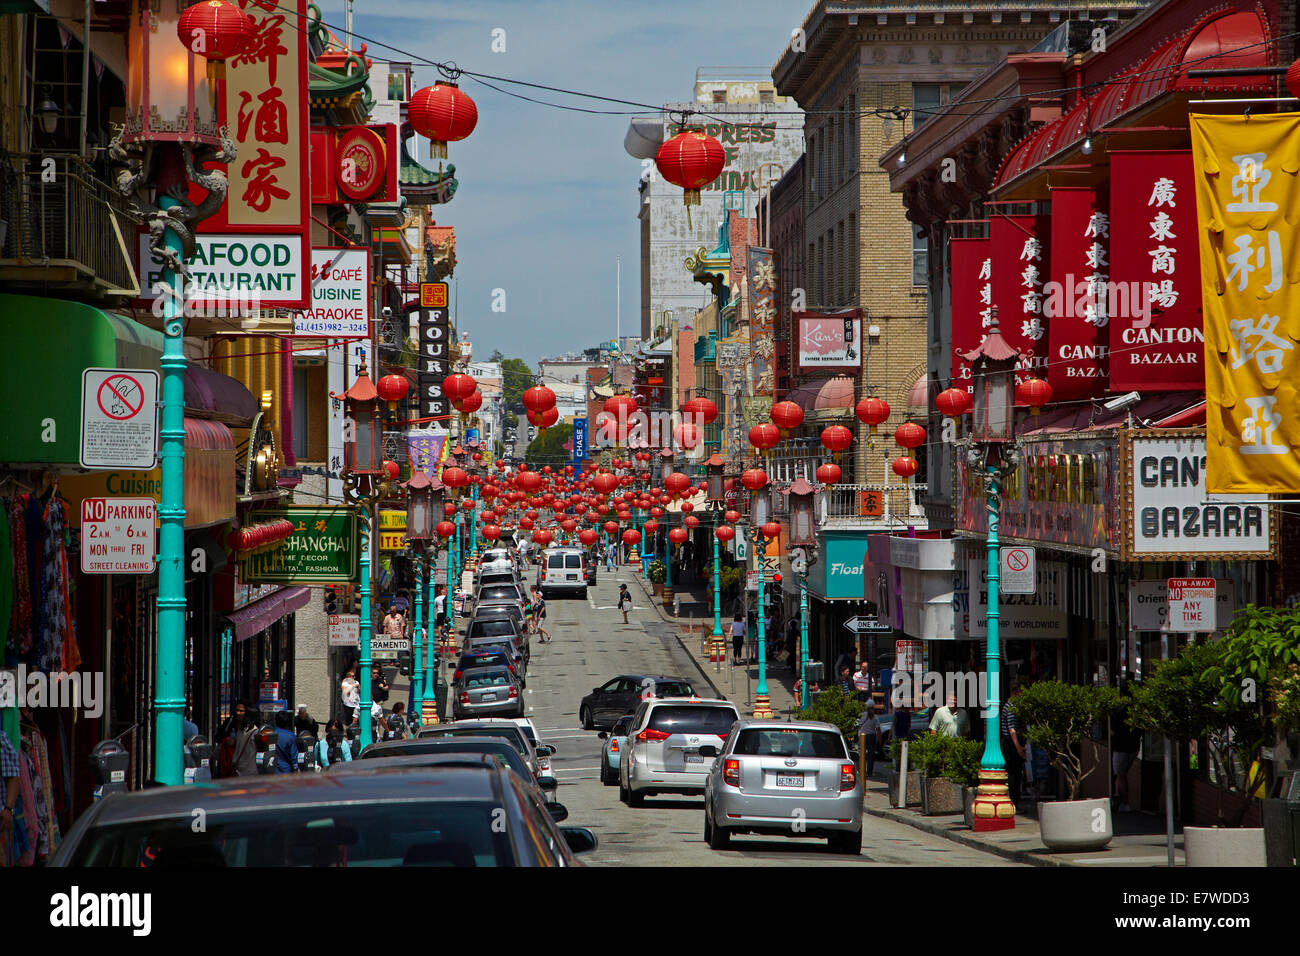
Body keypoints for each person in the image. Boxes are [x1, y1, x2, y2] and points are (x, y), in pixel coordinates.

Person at [1112, 697, 1141, 813]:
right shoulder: (1136, 713)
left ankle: (1124, 802)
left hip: (1121, 748)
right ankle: (1120, 800)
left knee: (1120, 775)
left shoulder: (1118, 713)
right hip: (1134, 748)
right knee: (1121, 775)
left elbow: (1112, 731)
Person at [1001, 684, 1027, 805]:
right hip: (1011, 744)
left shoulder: (1012, 706)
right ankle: (1014, 801)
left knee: (1015, 773)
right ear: (1016, 693)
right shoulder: (1011, 707)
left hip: (1013, 743)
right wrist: (1018, 748)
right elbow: (1012, 729)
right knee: (1014, 773)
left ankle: (1015, 800)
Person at [855, 702, 883, 777]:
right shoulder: (875, 717)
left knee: (862, 755)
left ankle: (861, 771)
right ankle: (869, 772)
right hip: (871, 736)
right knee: (871, 755)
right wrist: (879, 739)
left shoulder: (861, 715)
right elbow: (878, 729)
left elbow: (856, 725)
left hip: (862, 736)